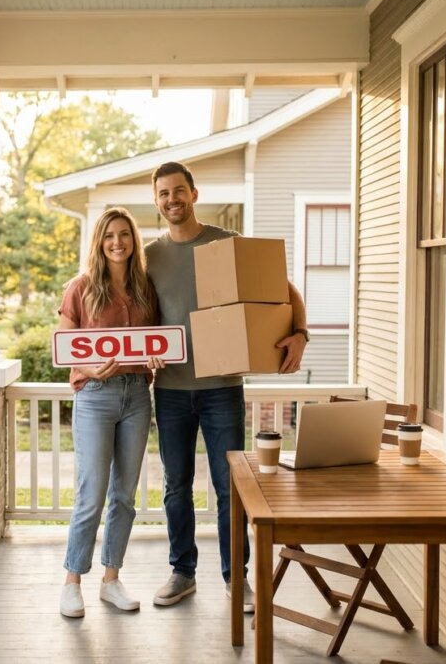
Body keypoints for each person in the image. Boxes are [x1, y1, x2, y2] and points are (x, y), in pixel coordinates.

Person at [146, 161, 309, 613]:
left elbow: (286, 291)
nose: (172, 199)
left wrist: (300, 334)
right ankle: (183, 573)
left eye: (179, 190)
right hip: (172, 389)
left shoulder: (227, 244)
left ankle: (237, 579)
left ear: (194, 194)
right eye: (163, 193)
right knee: (176, 486)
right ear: (157, 201)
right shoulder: (149, 256)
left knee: (228, 487)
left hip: (222, 389)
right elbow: (137, 319)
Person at [58, 207, 163, 618]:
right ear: (99, 243)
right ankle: (72, 582)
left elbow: (155, 342)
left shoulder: (145, 289)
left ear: (133, 240)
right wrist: (88, 368)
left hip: (137, 396)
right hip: (96, 397)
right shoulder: (81, 287)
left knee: (124, 496)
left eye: (124, 235)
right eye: (109, 236)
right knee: (92, 493)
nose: (117, 242)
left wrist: (157, 358)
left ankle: (111, 579)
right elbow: (67, 348)